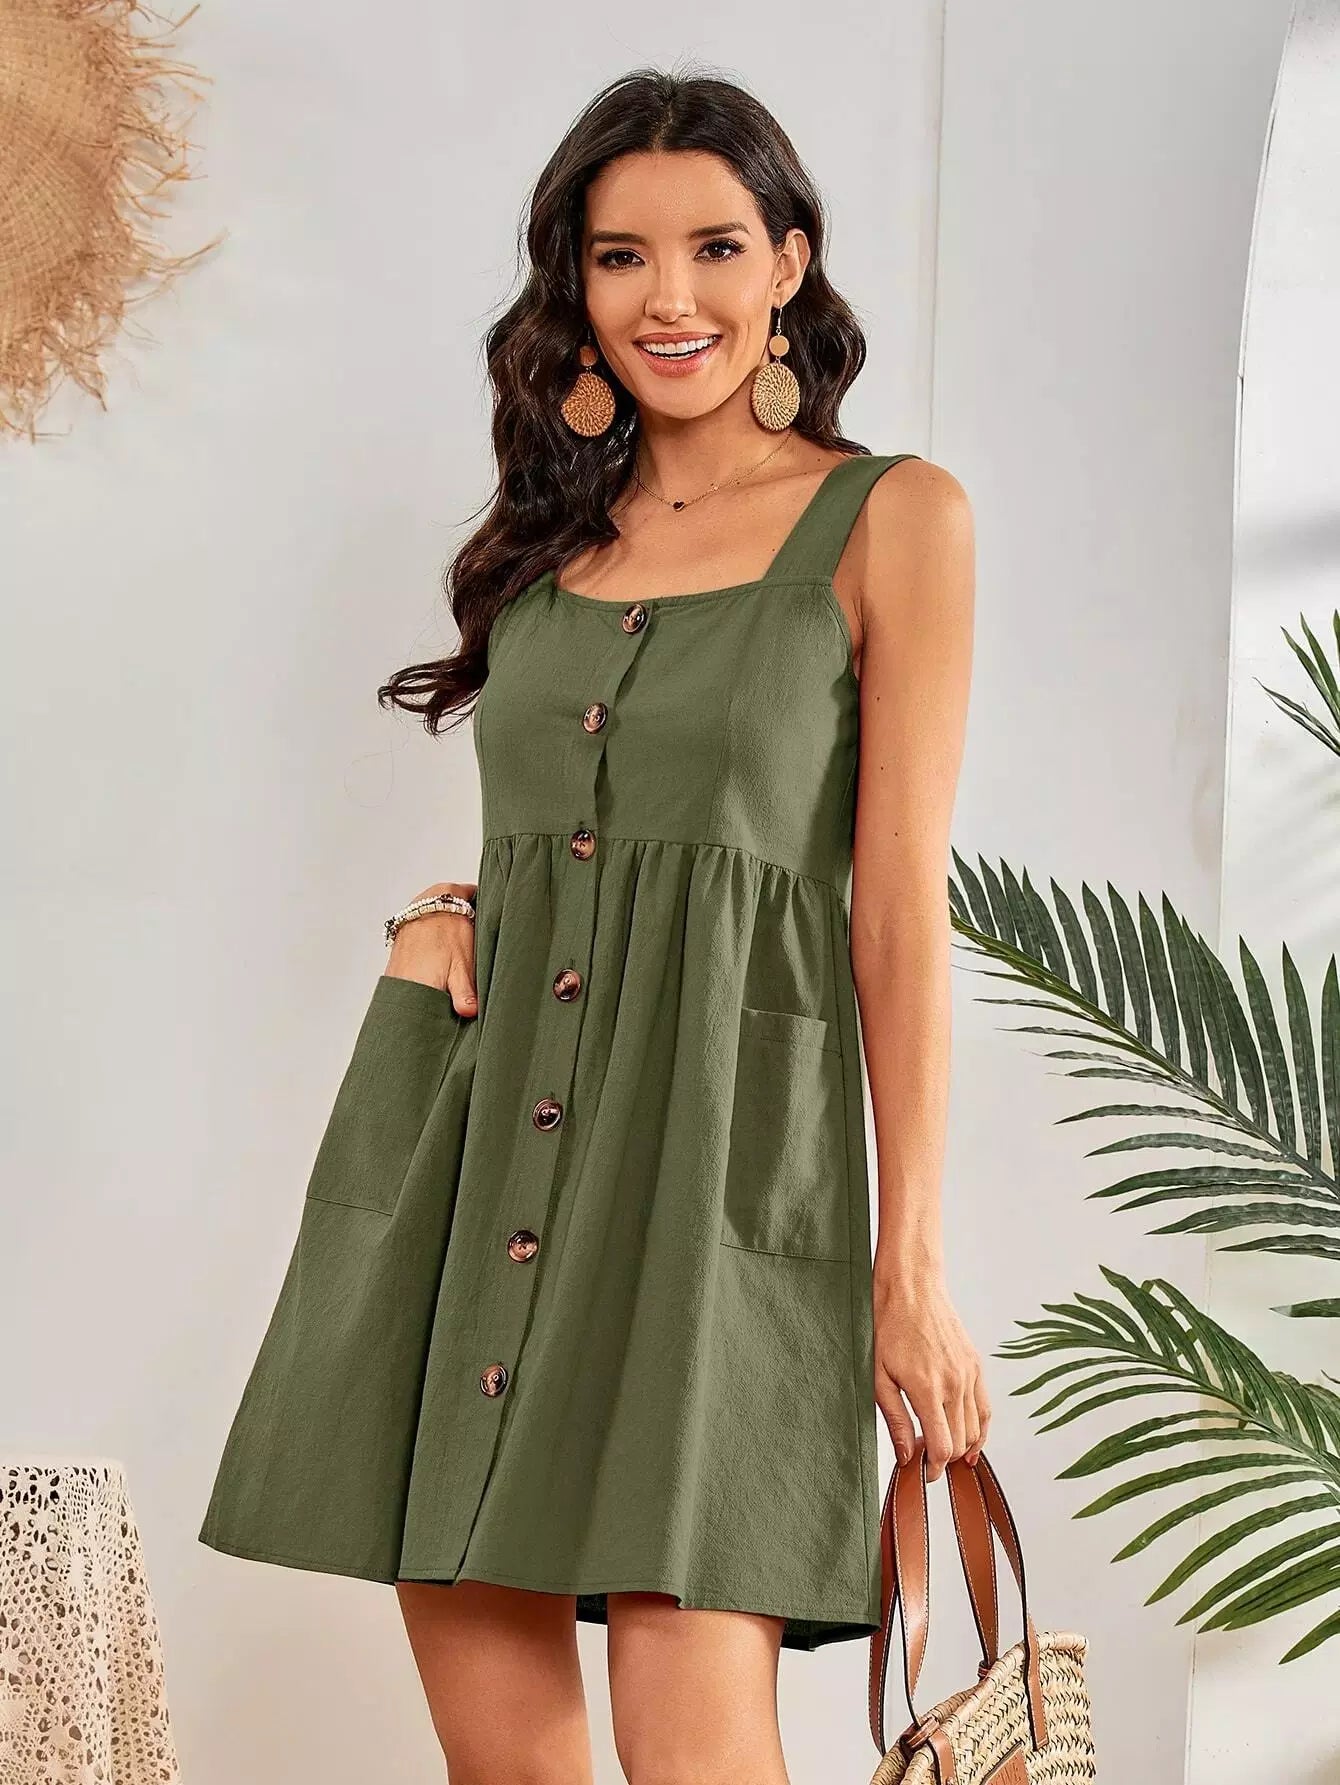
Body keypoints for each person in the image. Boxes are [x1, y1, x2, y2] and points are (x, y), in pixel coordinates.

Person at [198, 65, 986, 1785]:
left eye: (716, 247)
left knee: (690, 1745)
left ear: (789, 263)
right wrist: (436, 909)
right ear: (576, 281)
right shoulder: (549, 541)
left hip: (717, 1164)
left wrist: (910, 1260)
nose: (669, 298)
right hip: (483, 1147)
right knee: (506, 1759)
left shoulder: (893, 518)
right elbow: (570, 836)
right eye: (622, 257)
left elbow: (894, 910)